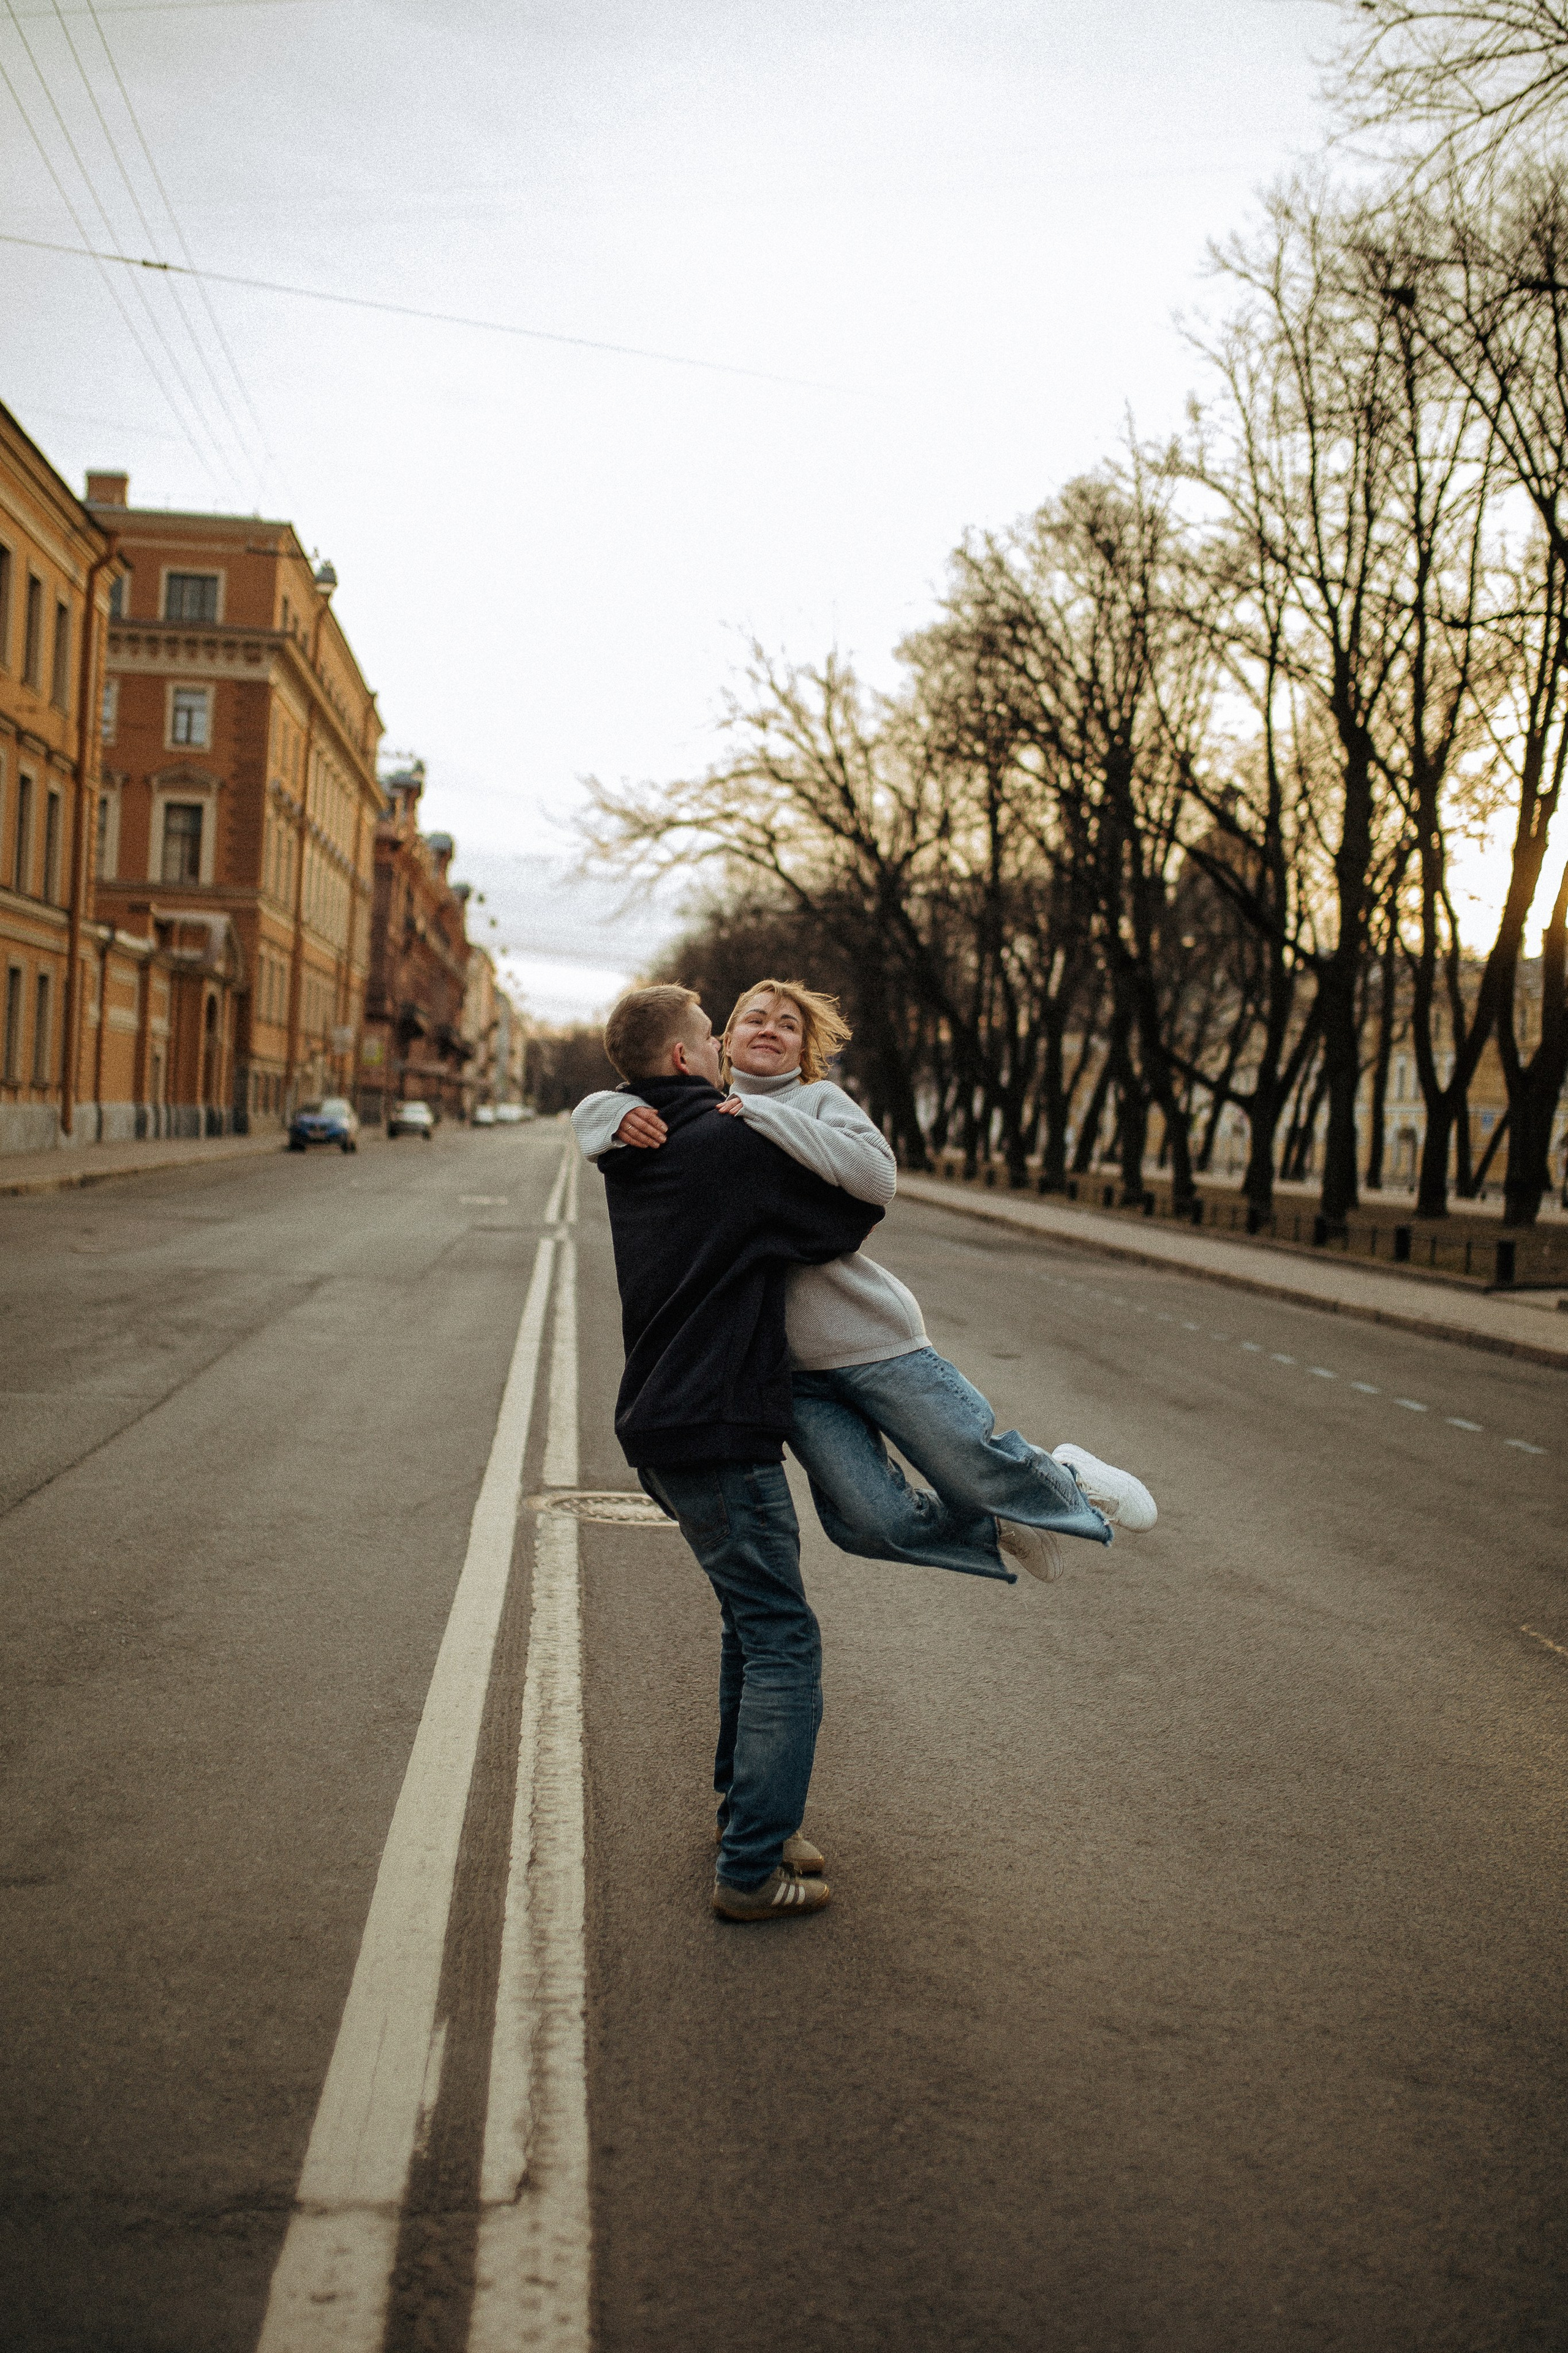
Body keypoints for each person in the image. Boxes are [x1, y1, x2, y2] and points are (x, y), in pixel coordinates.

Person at [574, 978, 1156, 1587]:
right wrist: (607, 1113)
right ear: (718, 1044)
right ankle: (993, 1528)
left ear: (803, 1050)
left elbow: (878, 1177)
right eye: (754, 1019)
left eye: (788, 1024)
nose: (770, 1028)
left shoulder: (818, 1098)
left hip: (870, 1336)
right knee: (869, 1523)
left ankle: (1066, 1473)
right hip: (786, 1368)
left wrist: (766, 1113)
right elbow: (615, 1104)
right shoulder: (703, 1116)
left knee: (971, 1465)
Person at [592, 983, 883, 1925]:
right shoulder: (731, 1146)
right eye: (711, 1042)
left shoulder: (629, 1148)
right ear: (684, 1060)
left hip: (662, 1425)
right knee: (784, 1637)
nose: (727, 1052)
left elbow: (612, 1116)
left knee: (747, 1624)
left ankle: (749, 1817)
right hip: (720, 1427)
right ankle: (753, 1867)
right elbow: (848, 1217)